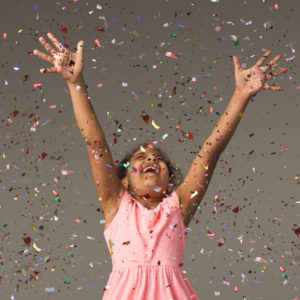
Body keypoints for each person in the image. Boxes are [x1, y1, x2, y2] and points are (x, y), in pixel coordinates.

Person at [33, 33, 287, 300]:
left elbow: (210, 153)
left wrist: (241, 95)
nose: (152, 160)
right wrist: (75, 83)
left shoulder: (177, 207)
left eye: (158, 159)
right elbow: (95, 143)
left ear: (169, 182)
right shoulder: (115, 205)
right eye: (140, 159)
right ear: (122, 181)